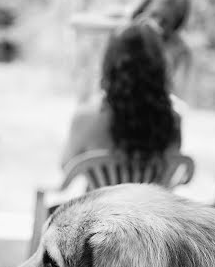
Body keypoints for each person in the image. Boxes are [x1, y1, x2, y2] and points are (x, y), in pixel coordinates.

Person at [61, 21, 182, 169]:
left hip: (106, 193)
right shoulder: (173, 121)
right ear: (160, 69)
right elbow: (172, 169)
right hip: (149, 193)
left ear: (109, 66)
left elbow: (66, 165)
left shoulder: (86, 119)